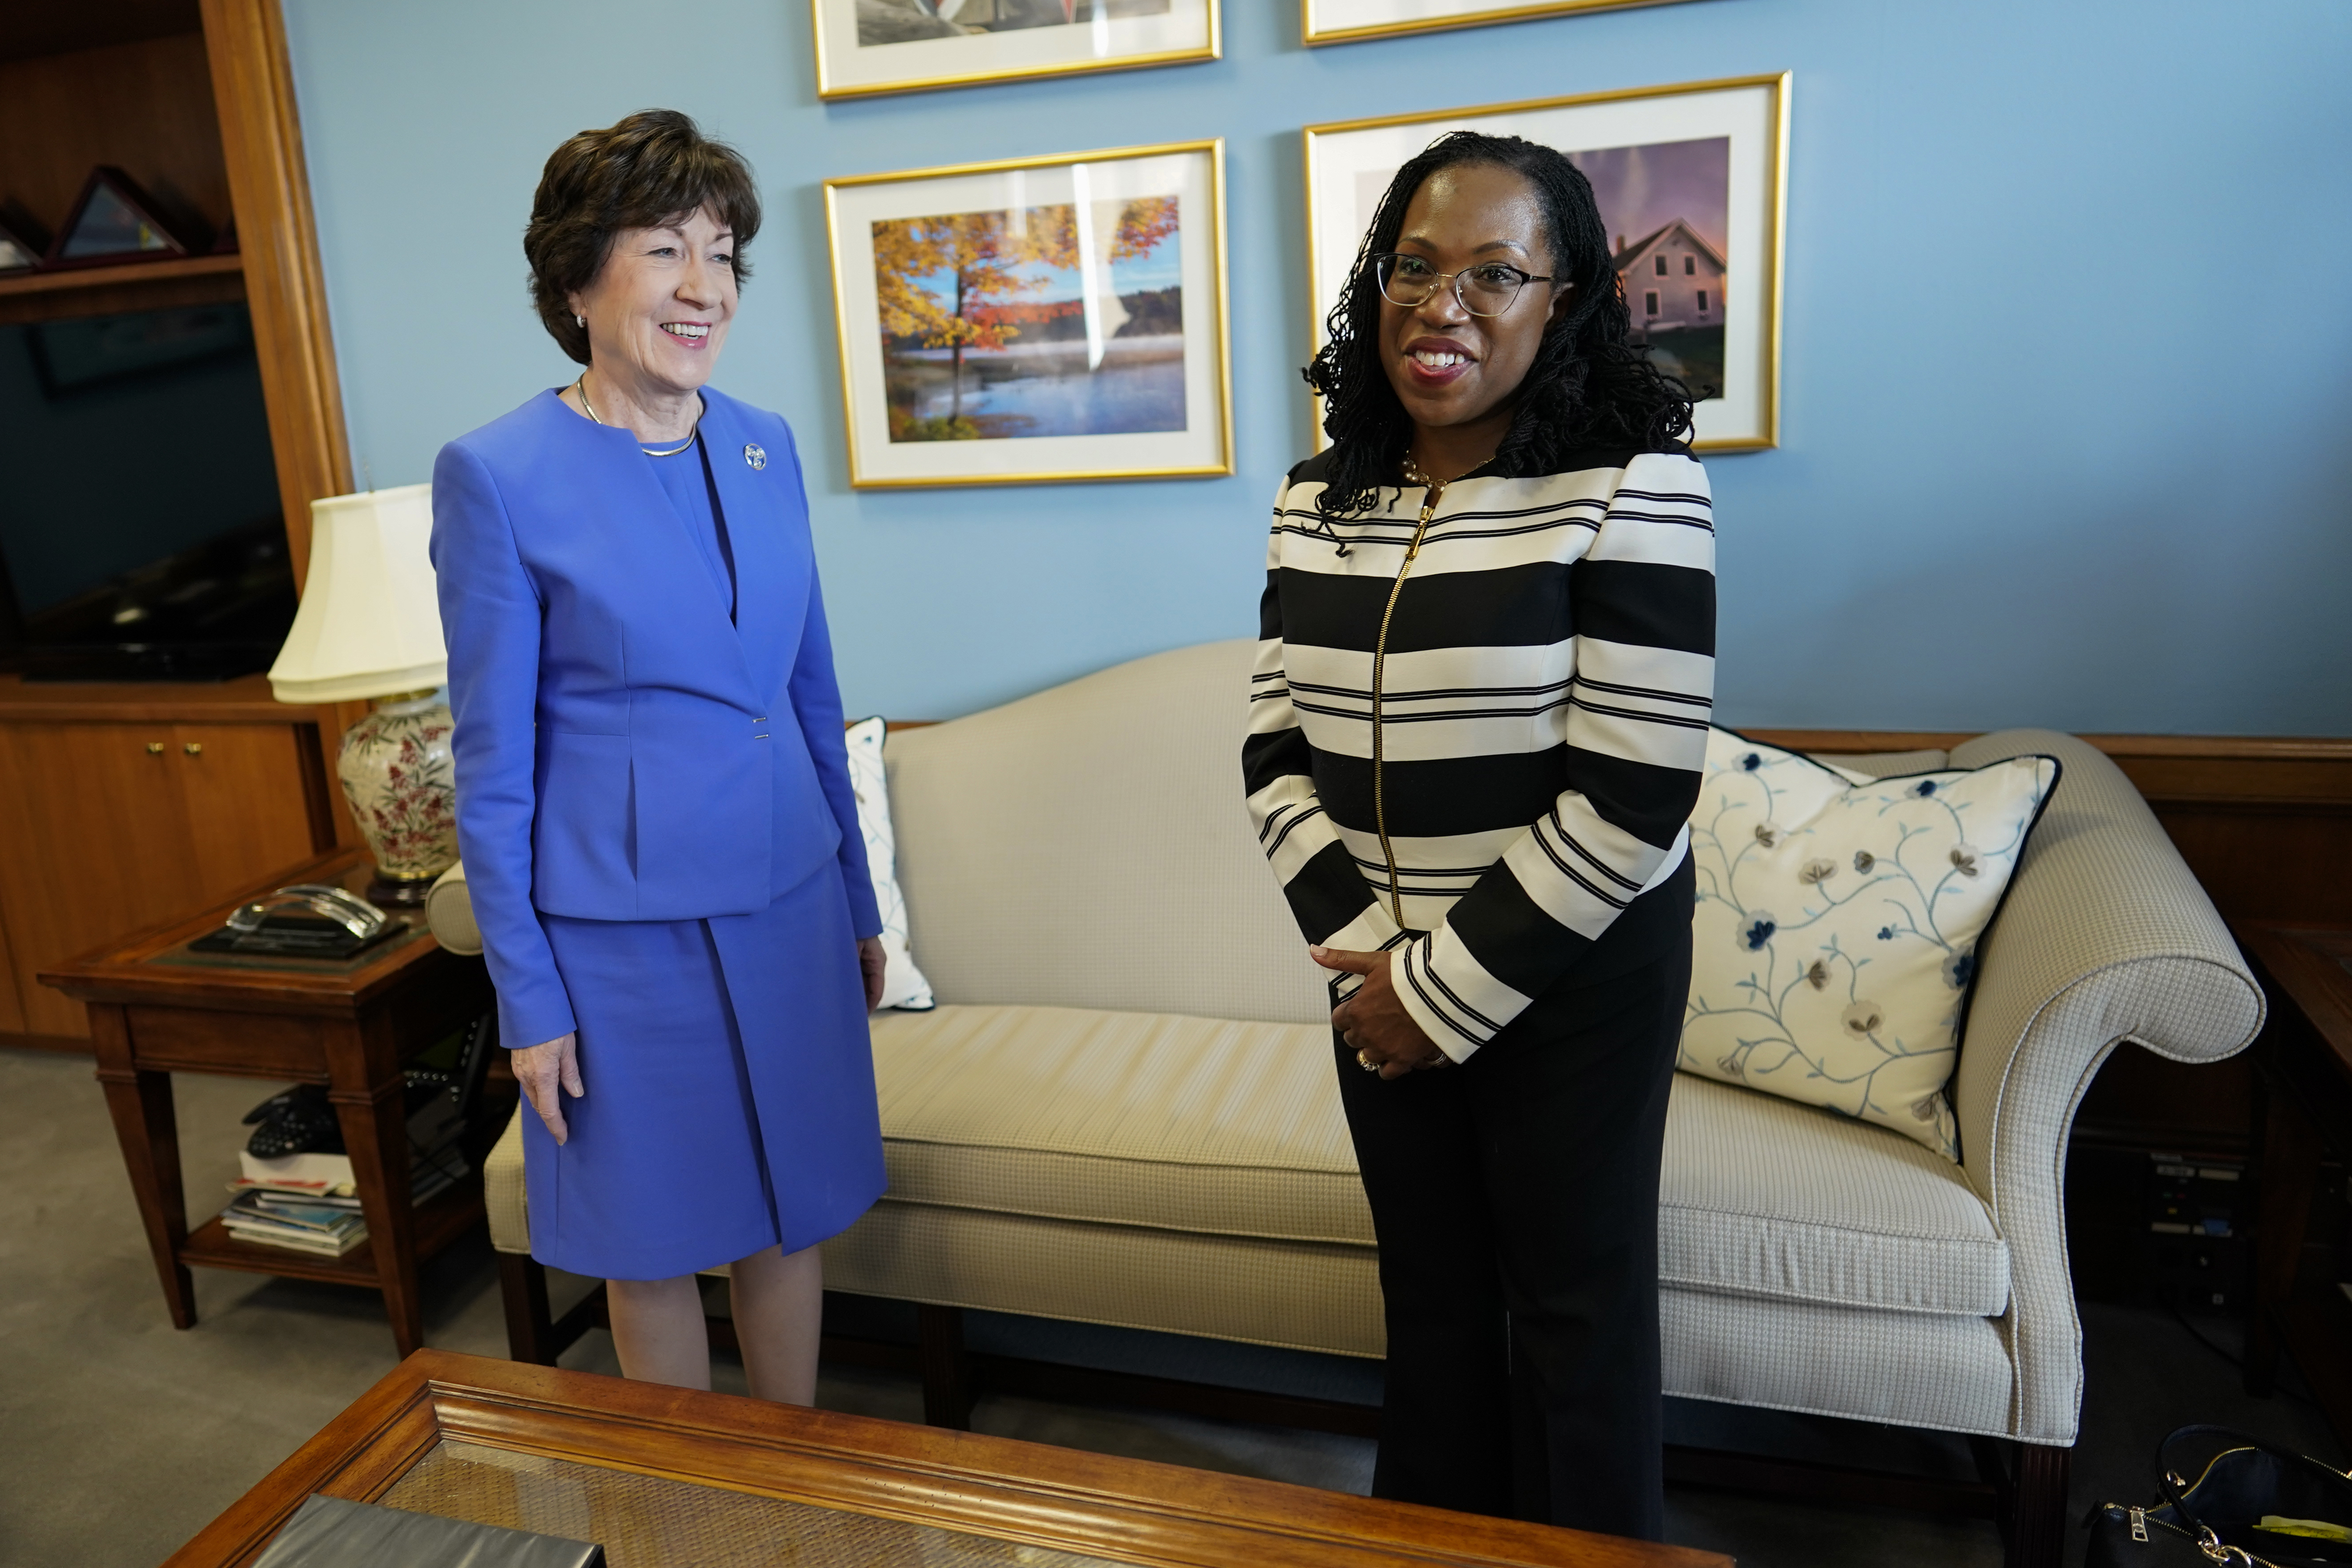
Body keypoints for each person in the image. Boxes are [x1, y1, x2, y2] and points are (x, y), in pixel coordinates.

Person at [1243, 131, 1715, 1536]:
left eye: (1492, 274)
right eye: (1414, 266)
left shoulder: (1636, 486)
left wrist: (1441, 990)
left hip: (1573, 974)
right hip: (1377, 978)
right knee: (1431, 1305)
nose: (1440, 304)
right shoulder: (1314, 497)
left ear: (1562, 301)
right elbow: (1273, 749)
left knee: (1573, 1316)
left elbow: (1637, 793)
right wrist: (1377, 964)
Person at [431, 110, 887, 1403]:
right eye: (665, 250)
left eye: (725, 253)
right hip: (619, 942)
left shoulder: (764, 443)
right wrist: (528, 996)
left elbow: (809, 693)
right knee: (653, 1239)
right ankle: (686, 1512)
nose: (706, 288)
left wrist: (856, 900)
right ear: (577, 280)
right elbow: (494, 766)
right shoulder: (499, 476)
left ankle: (787, 1476)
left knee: (789, 1211)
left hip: (789, 902)